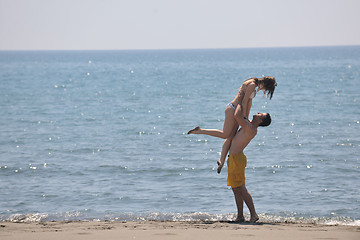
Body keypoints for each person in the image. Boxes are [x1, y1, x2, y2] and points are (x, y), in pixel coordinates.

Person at [188, 77, 276, 172]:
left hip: (237, 110)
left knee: (230, 136)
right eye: (267, 89)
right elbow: (244, 101)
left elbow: (249, 102)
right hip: (233, 108)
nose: (265, 91)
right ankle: (200, 131)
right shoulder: (253, 85)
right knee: (225, 134)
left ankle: (221, 161)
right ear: (267, 84)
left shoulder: (255, 86)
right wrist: (244, 117)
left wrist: (246, 117)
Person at [221, 103, 272, 223]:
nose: (258, 112)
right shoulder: (248, 124)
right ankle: (240, 216)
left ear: (259, 120)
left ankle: (254, 214)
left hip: (237, 159)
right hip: (233, 159)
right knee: (235, 188)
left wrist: (240, 101)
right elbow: (241, 116)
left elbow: (237, 116)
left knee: (241, 188)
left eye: (260, 114)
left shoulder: (251, 128)